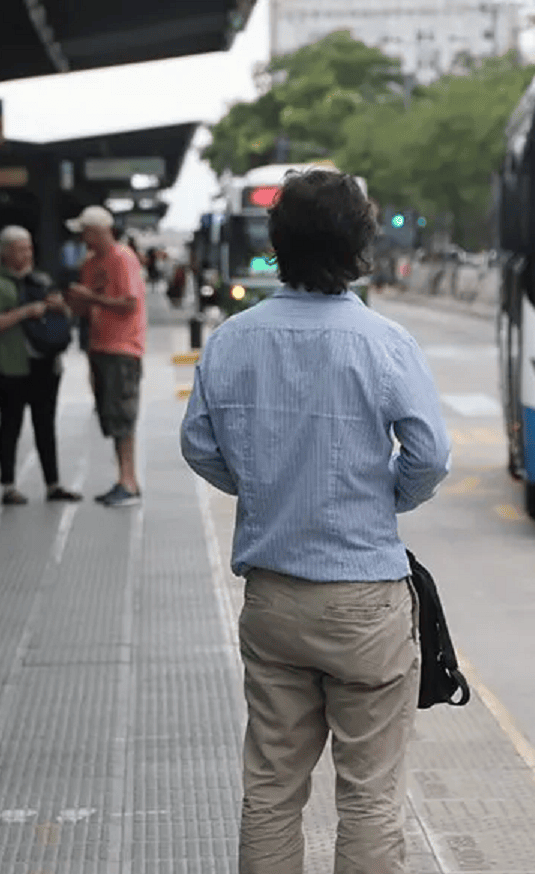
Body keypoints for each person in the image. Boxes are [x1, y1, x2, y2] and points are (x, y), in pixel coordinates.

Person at [181, 169, 451, 874]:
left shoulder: (233, 340)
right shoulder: (384, 342)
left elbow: (198, 445)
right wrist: (382, 498)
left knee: (270, 787)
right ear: (361, 245)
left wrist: (267, 489)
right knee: (369, 796)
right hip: (365, 597)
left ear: (277, 243)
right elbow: (430, 455)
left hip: (273, 596)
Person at [0, 226, 81, 504]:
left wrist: (59, 306)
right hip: (9, 365)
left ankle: (53, 483)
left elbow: (65, 314)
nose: (28, 254)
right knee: (10, 424)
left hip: (45, 364)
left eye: (29, 248)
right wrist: (25, 312)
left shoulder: (41, 279)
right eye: (21, 249)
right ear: (6, 252)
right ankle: (8, 485)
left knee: (45, 424)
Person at [65, 207, 146, 508]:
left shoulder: (122, 258)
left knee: (123, 414)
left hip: (123, 346)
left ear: (98, 231)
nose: (82, 237)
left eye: (85, 231)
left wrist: (90, 298)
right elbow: (87, 305)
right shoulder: (91, 263)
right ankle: (123, 478)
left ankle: (129, 480)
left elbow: (129, 303)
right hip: (100, 345)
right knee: (111, 415)